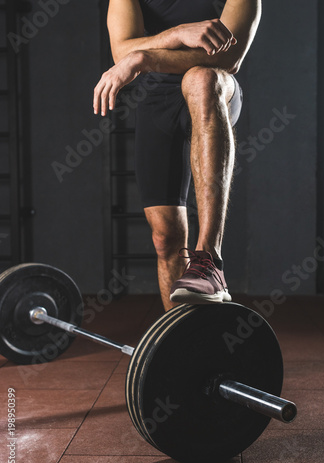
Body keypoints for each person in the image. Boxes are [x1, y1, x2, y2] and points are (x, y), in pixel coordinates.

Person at [93, 0, 262, 311]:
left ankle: (210, 259)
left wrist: (144, 56)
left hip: (215, 86)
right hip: (157, 100)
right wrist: (177, 34)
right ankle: (180, 342)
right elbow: (121, 51)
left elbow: (229, 56)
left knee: (199, 77)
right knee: (165, 237)